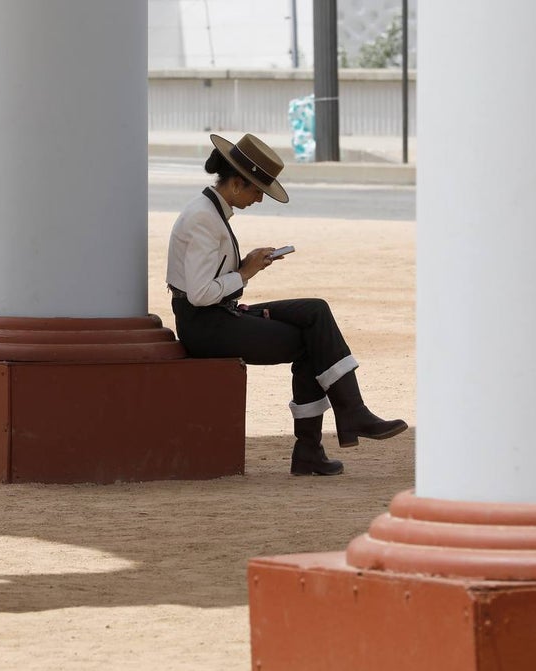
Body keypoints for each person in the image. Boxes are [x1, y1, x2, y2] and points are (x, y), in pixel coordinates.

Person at [165, 133, 407, 476]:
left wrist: (244, 265)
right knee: (312, 340)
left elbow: (206, 281)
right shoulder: (203, 218)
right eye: (257, 191)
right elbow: (200, 294)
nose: (260, 199)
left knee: (315, 310)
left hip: (217, 315)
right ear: (237, 183)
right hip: (206, 326)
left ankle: (341, 422)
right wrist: (245, 272)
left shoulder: (209, 211)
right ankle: (325, 435)